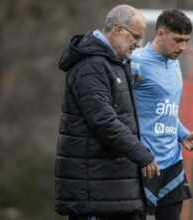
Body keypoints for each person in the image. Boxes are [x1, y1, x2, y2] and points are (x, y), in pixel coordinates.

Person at [55, 5, 160, 220]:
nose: (138, 44)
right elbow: (104, 121)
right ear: (119, 30)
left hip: (113, 190)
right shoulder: (91, 66)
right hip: (95, 193)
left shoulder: (116, 63)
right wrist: (142, 155)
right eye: (136, 37)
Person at [131, 9, 193, 220]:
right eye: (178, 40)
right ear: (160, 34)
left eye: (186, 41)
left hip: (172, 161)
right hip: (144, 163)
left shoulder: (174, 63)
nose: (183, 47)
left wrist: (182, 134)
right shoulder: (136, 63)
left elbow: (165, 110)